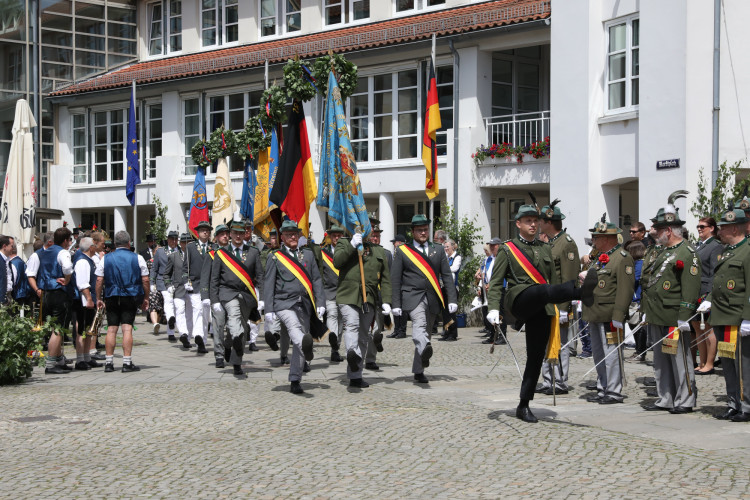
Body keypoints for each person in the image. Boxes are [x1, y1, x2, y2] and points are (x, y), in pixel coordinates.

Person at [486, 203, 590, 423]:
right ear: (518, 224)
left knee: (535, 356)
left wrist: (560, 309)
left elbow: (552, 283)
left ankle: (524, 404)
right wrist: (494, 307)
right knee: (540, 289)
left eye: (536, 221)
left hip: (541, 305)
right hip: (519, 299)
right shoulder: (507, 249)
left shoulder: (545, 249)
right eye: (528, 221)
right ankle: (579, 291)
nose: (533, 225)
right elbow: (495, 283)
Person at [641, 191, 700, 414]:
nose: (655, 234)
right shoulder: (664, 251)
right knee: (661, 360)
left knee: (679, 360)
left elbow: (690, 287)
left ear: (668, 231)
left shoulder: (687, 252)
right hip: (657, 314)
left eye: (659, 230)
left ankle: (685, 398)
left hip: (674, 316)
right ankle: (666, 397)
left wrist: (685, 315)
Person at [697, 207, 750, 421]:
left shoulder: (747, 250)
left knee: (742, 365)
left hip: (738, 317)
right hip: (722, 316)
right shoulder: (728, 251)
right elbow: (719, 282)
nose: (720, 231)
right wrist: (709, 299)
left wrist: (748, 317)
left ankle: (746, 405)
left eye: (724, 228)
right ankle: (733, 402)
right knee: (728, 363)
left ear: (735, 228)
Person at [391, 214, 457, 384]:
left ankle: (419, 370)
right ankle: (425, 348)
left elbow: (447, 276)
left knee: (427, 332)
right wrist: (396, 303)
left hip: (433, 296)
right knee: (419, 325)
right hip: (412, 296)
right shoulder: (403, 251)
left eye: (425, 230)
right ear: (412, 231)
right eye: (419, 230)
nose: (423, 233)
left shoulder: (438, 249)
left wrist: (452, 299)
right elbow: (395, 279)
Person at [263, 220, 325, 394]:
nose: (293, 237)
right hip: (283, 303)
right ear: (282, 237)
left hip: (304, 303)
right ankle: (307, 346)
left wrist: (320, 303)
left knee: (301, 342)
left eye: (295, 234)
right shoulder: (275, 256)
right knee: (295, 329)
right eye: (289, 234)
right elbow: (268, 284)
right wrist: (268, 310)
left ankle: (295, 379)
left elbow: (317, 279)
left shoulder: (308, 254)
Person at [579, 215, 634, 404]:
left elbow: (625, 289)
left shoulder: (622, 258)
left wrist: (619, 314)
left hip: (611, 315)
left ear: (608, 239)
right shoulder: (599, 258)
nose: (593, 240)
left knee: (611, 354)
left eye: (596, 237)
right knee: (599, 354)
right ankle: (603, 387)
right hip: (594, 313)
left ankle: (614, 390)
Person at [334, 227, 392, 388]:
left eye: (371, 229)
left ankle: (355, 375)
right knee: (351, 325)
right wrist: (352, 245)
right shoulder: (344, 243)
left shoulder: (379, 251)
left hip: (370, 298)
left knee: (364, 335)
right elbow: (337, 262)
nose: (369, 232)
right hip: (348, 295)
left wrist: (387, 301)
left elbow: (386, 279)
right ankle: (352, 353)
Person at [536, 199, 581, 396]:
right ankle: (548, 379)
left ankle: (560, 381)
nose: (538, 224)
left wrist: (564, 306)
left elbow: (570, 278)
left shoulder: (566, 244)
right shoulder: (551, 243)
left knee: (561, 344)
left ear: (549, 222)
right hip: (548, 303)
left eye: (541, 221)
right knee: (548, 342)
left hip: (559, 305)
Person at [210, 220, 263, 376]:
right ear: (230, 234)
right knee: (235, 323)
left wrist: (263, 298)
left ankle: (229, 344)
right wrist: (214, 301)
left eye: (241, 233)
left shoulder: (253, 252)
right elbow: (214, 279)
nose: (238, 236)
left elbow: (259, 276)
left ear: (245, 234)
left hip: (246, 296)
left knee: (242, 328)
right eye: (235, 233)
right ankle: (237, 364)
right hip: (228, 294)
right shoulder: (221, 253)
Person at [95, 230, 149, 372]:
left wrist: (98, 298)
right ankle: (126, 362)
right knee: (127, 328)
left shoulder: (105, 258)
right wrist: (146, 297)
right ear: (128, 242)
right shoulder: (137, 258)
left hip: (112, 295)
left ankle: (109, 363)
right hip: (130, 295)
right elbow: (145, 279)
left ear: (115, 243)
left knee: (111, 328)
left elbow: (99, 279)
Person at [27, 228, 75, 374]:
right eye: (69, 240)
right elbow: (67, 268)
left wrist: (37, 290)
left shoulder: (38, 254)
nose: (70, 243)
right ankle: (51, 364)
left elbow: (30, 274)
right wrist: (67, 280)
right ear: (66, 240)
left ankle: (59, 360)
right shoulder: (62, 252)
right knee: (58, 329)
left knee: (52, 327)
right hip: (58, 293)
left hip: (45, 293)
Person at [692, 217, 722, 374]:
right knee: (698, 328)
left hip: (706, 291)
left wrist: (709, 295)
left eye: (702, 226)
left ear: (712, 228)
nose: (699, 229)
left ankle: (709, 363)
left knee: (708, 328)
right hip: (697, 290)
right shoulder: (700, 245)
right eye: (697, 226)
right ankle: (702, 362)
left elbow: (715, 272)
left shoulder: (715, 246)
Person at [72, 237, 103, 369]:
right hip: (84, 302)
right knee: (82, 330)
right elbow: (82, 283)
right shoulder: (83, 262)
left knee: (89, 329)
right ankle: (80, 360)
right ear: (90, 247)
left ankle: (87, 357)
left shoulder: (88, 260)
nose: (96, 246)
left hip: (89, 300)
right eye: (94, 245)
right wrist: (89, 299)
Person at [364, 219, 391, 369]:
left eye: (377, 236)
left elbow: (389, 278)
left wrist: (389, 299)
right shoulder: (362, 252)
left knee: (376, 330)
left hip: (380, 298)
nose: (375, 238)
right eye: (373, 235)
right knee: (368, 330)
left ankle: (371, 357)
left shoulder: (386, 254)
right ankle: (367, 358)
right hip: (366, 296)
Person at [184, 221, 213, 354]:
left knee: (206, 313)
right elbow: (186, 266)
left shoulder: (214, 247)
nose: (205, 232)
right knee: (198, 310)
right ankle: (198, 337)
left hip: (209, 284)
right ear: (198, 232)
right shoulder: (190, 247)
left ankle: (203, 342)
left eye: (207, 230)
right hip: (195, 284)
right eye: (202, 230)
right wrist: (185, 280)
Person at [260, 229, 289, 365]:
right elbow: (264, 271)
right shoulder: (267, 254)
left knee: (285, 328)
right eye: (272, 238)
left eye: (277, 238)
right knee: (274, 320)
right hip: (273, 291)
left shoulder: (288, 253)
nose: (275, 240)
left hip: (287, 293)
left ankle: (280, 348)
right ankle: (273, 336)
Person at [200, 224, 227, 368]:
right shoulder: (212, 254)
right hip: (216, 295)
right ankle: (219, 355)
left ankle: (228, 349)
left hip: (231, 295)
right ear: (216, 237)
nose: (225, 236)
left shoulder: (232, 252)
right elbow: (205, 276)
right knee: (218, 326)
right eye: (221, 234)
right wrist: (205, 295)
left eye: (226, 233)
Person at [320, 225, 345, 362]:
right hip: (329, 292)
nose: (336, 238)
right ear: (330, 237)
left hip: (344, 291)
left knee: (341, 321)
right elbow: (319, 273)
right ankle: (333, 343)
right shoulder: (323, 253)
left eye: (339, 235)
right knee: (332, 315)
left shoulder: (347, 251)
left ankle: (336, 347)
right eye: (334, 235)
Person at [165, 233, 193, 349]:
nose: (186, 245)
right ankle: (183, 334)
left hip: (192, 288)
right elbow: (166, 274)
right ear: (180, 243)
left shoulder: (196, 256)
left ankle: (189, 336)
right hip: (178, 288)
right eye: (184, 242)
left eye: (188, 242)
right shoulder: (173, 256)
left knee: (190, 314)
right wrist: (168, 285)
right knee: (179, 311)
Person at [151, 231, 179, 341]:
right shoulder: (161, 252)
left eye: (176, 239)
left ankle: (171, 332)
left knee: (177, 305)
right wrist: (152, 282)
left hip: (176, 281)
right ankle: (170, 317)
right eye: (172, 239)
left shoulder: (180, 251)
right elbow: (154, 267)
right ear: (167, 240)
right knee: (168, 300)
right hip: (163, 281)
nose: (174, 241)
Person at [623, 240, 646, 361]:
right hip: (633, 298)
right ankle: (639, 350)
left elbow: (634, 278)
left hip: (637, 298)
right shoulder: (636, 263)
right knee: (633, 325)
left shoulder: (639, 264)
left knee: (637, 327)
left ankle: (640, 351)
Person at [439, 238, 461, 342]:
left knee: (451, 312)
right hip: (444, 287)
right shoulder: (446, 258)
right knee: (445, 312)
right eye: (445, 247)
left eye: (447, 247)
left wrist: (442, 269)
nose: (446, 249)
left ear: (453, 246)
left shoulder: (457, 257)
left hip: (452, 288)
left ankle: (453, 334)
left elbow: (454, 268)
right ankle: (446, 332)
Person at [388, 234, 408, 339]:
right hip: (396, 284)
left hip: (403, 283)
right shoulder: (394, 253)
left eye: (394, 242)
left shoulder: (405, 253)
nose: (393, 244)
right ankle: (396, 329)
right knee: (395, 306)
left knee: (403, 309)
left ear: (399, 243)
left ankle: (402, 330)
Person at [8, 237, 33, 315]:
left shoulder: (13, 263)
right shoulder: (20, 261)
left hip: (17, 296)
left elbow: (13, 281)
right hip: (22, 294)